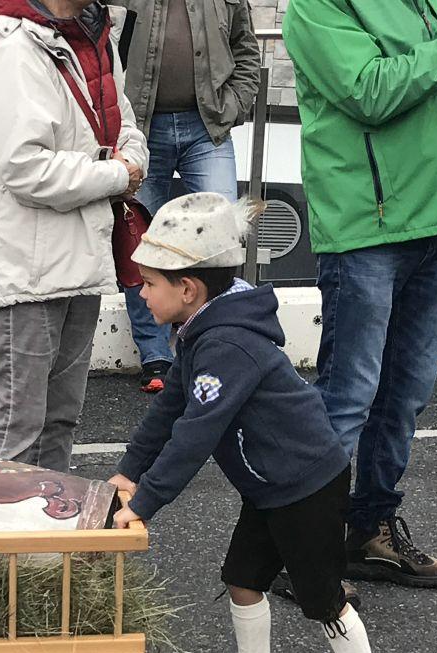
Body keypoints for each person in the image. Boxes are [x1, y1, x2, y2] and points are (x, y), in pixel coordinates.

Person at [109, 192, 402, 653]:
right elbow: (171, 405)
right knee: (242, 578)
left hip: (305, 485)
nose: (140, 291)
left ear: (187, 288)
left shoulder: (226, 344)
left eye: (148, 283)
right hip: (270, 485)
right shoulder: (200, 328)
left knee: (321, 597)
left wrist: (145, 502)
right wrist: (129, 471)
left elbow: (196, 434)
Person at [282, 0, 437, 587]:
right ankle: (301, 550)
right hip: (366, 227)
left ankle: (368, 529)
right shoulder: (317, 7)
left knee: (405, 394)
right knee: (348, 397)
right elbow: (371, 91)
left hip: (433, 225)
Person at [0, 0, 148, 472]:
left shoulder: (89, 31)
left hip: (78, 251)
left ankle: (46, 535)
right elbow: (26, 170)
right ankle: (5, 541)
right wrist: (116, 173)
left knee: (60, 417)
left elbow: (122, 121)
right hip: (25, 261)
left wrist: (129, 161)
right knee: (18, 422)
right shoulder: (11, 46)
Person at [109, 0, 259, 393]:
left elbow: (245, 48)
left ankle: (218, 347)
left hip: (206, 127)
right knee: (143, 243)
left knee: (220, 238)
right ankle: (156, 356)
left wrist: (236, 105)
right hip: (142, 129)